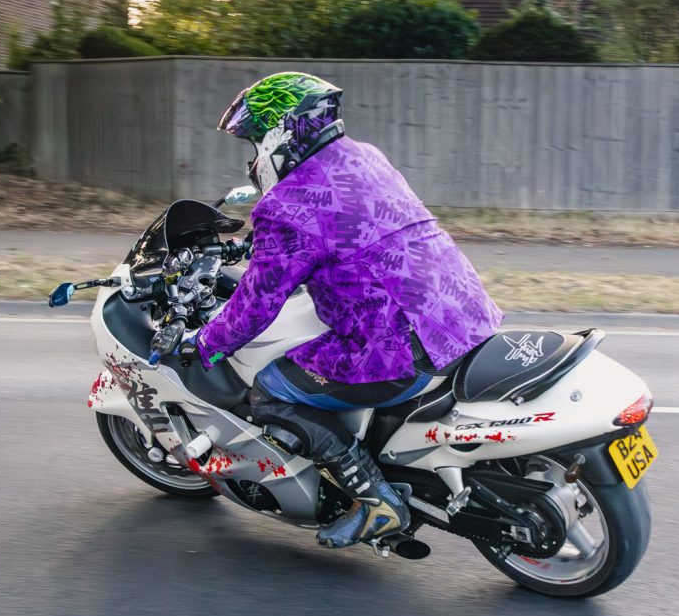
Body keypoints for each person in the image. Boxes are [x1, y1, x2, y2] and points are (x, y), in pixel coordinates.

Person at [193, 72, 503, 548]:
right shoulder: (364, 158)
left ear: (283, 133)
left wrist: (206, 345)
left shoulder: (287, 205)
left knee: (269, 391)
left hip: (401, 344)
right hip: (462, 311)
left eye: (256, 141)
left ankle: (375, 502)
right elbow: (349, 222)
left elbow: (257, 305)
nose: (253, 156)